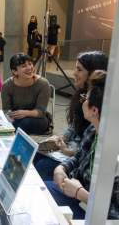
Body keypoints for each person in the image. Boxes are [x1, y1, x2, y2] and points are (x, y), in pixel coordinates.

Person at [46, 70, 119, 220]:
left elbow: (114, 215)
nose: (83, 100)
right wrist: (62, 168)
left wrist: (80, 193)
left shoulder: (114, 153)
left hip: (94, 213)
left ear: (94, 110)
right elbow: (79, 158)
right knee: (40, 192)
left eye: (86, 97)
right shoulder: (93, 129)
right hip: (78, 194)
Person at [34, 51, 108, 181]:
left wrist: (66, 150)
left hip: (79, 161)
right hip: (72, 151)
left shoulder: (97, 105)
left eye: (79, 69)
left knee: (42, 166)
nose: (74, 73)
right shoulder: (82, 95)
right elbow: (74, 126)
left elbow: (89, 151)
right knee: (36, 157)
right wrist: (62, 138)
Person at [1, 53, 51, 135]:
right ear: (15, 71)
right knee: (7, 121)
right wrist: (11, 118)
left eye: (30, 64)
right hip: (16, 117)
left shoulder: (43, 84)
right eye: (24, 66)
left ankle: (14, 133)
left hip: (36, 118)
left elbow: (41, 111)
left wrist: (25, 113)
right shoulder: (7, 85)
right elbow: (6, 110)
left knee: (26, 123)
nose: (29, 68)